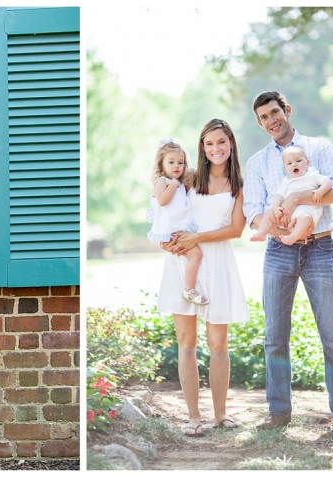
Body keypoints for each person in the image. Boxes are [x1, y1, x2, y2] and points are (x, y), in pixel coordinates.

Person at [244, 91, 333, 436]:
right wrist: (270, 226)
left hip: (320, 248)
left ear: (287, 110)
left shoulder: (319, 149)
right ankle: (278, 413)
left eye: (274, 112)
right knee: (275, 336)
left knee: (332, 334)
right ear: (260, 123)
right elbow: (253, 210)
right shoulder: (256, 163)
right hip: (278, 251)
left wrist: (298, 196)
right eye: (263, 117)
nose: (271, 120)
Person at [159, 119, 249, 437]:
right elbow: (162, 208)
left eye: (221, 142)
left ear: (231, 144)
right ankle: (193, 416)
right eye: (209, 144)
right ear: (202, 147)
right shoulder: (190, 178)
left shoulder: (239, 184)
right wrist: (165, 238)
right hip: (184, 263)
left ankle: (221, 414)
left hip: (219, 263)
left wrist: (197, 238)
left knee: (219, 344)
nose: (216, 149)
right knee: (186, 343)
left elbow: (236, 230)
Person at [148, 139, 208, 305]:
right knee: (196, 255)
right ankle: (189, 290)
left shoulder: (179, 183)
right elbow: (162, 201)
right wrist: (173, 186)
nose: (177, 166)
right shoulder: (162, 182)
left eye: (180, 162)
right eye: (171, 162)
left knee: (193, 256)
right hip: (171, 231)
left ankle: (188, 288)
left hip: (179, 229)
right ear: (161, 164)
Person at [249, 146, 331, 245]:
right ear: (285, 168)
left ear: (307, 162)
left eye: (298, 161)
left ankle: (293, 237)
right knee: (269, 214)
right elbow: (278, 195)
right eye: (289, 163)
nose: (294, 165)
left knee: (306, 219)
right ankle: (262, 233)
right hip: (287, 214)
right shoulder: (287, 181)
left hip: (307, 211)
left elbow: (327, 182)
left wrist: (321, 191)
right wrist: (275, 208)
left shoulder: (312, 176)